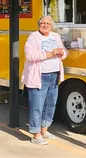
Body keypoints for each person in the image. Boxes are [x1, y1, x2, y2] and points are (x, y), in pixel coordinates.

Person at [21, 15, 68, 145]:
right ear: (39, 24)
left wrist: (62, 53)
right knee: (37, 105)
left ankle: (44, 130)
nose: (45, 25)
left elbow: (64, 51)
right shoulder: (33, 37)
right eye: (43, 23)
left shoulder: (55, 36)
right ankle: (36, 135)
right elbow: (30, 55)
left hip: (54, 75)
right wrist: (51, 53)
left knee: (50, 104)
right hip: (39, 76)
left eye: (48, 23)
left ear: (51, 26)